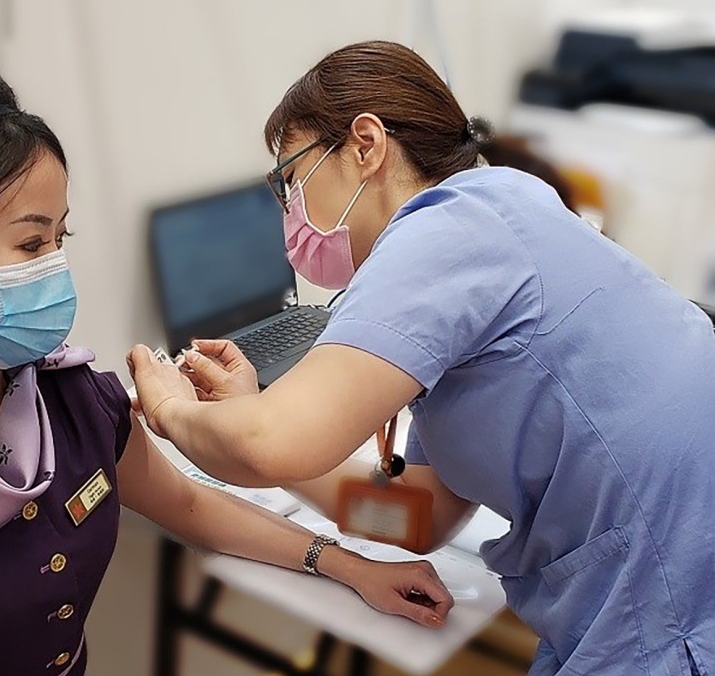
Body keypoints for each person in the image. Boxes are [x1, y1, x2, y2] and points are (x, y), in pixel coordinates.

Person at [0, 56, 456, 676]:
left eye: (61, 237)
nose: (56, 268)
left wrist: (350, 565)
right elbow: (415, 511)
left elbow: (192, 505)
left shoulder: (72, 399)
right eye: (30, 246)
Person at [128, 41, 714, 676]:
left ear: (365, 145)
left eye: (291, 180)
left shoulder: (450, 226)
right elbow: (418, 516)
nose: (291, 212)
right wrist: (252, 416)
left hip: (672, 596)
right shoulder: (497, 218)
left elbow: (270, 443)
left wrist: (171, 408)